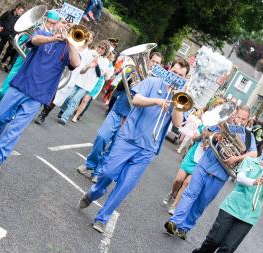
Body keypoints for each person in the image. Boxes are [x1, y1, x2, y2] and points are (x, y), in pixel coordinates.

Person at [78, 59, 189, 233]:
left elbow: (177, 122)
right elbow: (135, 99)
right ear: (169, 70)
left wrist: (177, 102)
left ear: (185, 78)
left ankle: (102, 218)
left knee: (125, 186)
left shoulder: (182, 98)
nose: (176, 77)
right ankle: (94, 192)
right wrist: (157, 101)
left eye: (180, 75)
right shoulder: (152, 81)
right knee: (107, 172)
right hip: (128, 138)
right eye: (174, 72)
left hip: (148, 148)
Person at [0, 11, 81, 172]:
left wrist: (70, 42)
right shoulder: (43, 34)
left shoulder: (68, 48)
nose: (64, 26)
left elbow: (76, 63)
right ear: (56, 24)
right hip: (21, 85)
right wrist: (53, 38)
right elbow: (34, 40)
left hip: (39, 95)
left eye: (68, 25)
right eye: (62, 22)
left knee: (16, 128)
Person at [165, 105, 258, 240]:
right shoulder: (223, 123)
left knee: (201, 203)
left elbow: (254, 154)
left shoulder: (249, 136)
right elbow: (206, 133)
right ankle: (174, 222)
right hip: (204, 166)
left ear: (248, 120)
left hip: (220, 175)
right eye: (238, 117)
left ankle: (184, 228)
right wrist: (215, 137)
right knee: (190, 193)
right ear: (235, 114)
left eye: (243, 119)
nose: (240, 120)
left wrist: (236, 158)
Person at [77, 51, 163, 182]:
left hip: (131, 119)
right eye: (153, 61)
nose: (154, 64)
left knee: (114, 147)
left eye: (157, 63)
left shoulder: (158, 84)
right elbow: (120, 87)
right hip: (119, 109)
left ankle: (98, 171)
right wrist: (131, 77)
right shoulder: (136, 71)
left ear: (160, 66)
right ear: (148, 61)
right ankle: (90, 164)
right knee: (102, 137)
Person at [192, 145, 263, 253]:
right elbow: (240, 178)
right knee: (214, 240)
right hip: (232, 206)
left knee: (228, 248)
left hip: (249, 215)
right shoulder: (250, 161)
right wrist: (253, 181)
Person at [0, 11, 62, 102]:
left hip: (36, 65)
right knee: (6, 88)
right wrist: (30, 42)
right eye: (49, 22)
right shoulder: (36, 29)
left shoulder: (53, 34)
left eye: (54, 23)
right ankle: (0, 105)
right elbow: (20, 43)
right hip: (24, 60)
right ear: (44, 19)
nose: (51, 25)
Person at [34, 30, 95, 125]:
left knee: (57, 99)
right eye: (87, 36)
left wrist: (87, 67)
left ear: (92, 40)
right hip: (61, 72)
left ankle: (43, 114)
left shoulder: (90, 54)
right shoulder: (74, 45)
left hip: (71, 78)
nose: (88, 38)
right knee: (48, 92)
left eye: (91, 38)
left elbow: (82, 71)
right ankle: (34, 109)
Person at [58, 40, 111, 125]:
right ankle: (63, 110)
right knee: (68, 97)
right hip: (80, 79)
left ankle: (65, 117)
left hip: (88, 84)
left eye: (102, 48)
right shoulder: (91, 52)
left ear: (105, 51)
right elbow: (82, 64)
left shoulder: (105, 61)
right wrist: (87, 65)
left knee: (75, 100)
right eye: (99, 47)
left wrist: (96, 64)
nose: (100, 49)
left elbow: (99, 74)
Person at [71, 51, 115, 122]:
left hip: (98, 83)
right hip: (90, 80)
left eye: (112, 57)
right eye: (110, 55)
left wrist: (105, 71)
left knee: (86, 99)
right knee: (80, 96)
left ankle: (76, 116)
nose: (110, 57)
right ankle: (75, 109)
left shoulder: (111, 67)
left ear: (113, 59)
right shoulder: (101, 59)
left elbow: (107, 78)